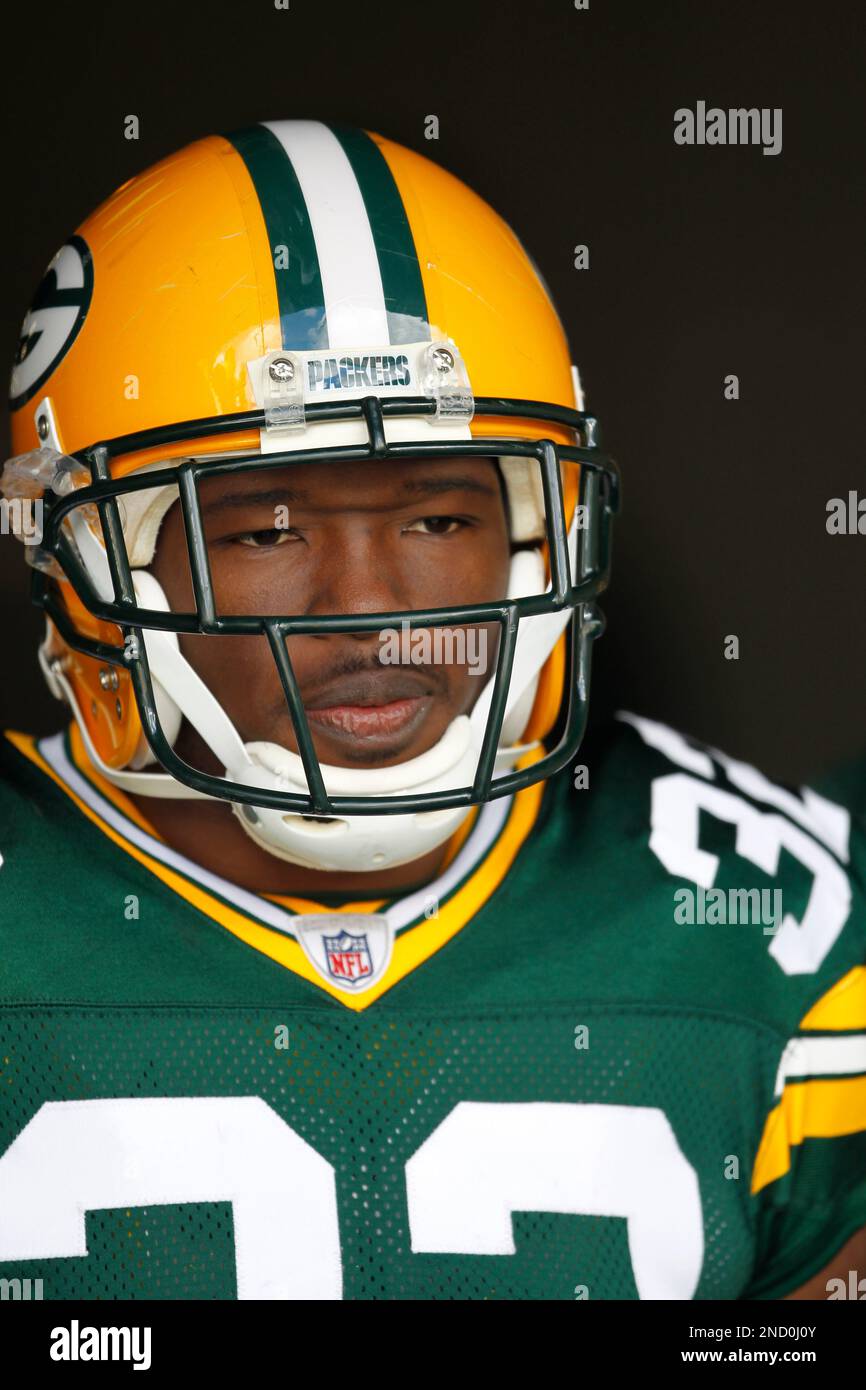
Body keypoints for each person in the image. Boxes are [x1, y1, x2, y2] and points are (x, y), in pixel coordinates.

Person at [0, 119, 863, 1301]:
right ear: (92, 561)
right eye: (262, 527)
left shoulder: (760, 911)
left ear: (541, 531)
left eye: (437, 518)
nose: (370, 608)